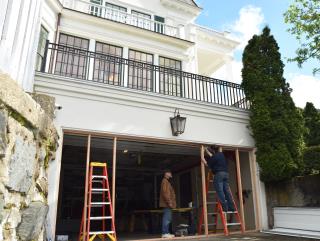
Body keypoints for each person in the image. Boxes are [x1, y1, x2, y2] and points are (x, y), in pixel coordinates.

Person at [201, 145, 235, 212]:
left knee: (220, 191)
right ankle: (231, 207)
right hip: (226, 174)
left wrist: (202, 153)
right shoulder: (221, 154)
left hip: (218, 175)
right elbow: (212, 155)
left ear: (213, 151)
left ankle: (225, 208)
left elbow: (206, 163)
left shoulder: (213, 157)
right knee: (227, 191)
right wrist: (207, 150)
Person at [159, 170, 176, 238]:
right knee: (166, 218)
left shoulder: (166, 182)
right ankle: (164, 233)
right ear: (166, 174)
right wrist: (169, 202)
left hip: (167, 203)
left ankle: (166, 232)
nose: (171, 174)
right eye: (169, 173)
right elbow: (165, 193)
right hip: (167, 204)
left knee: (168, 218)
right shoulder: (165, 181)